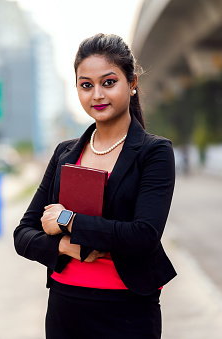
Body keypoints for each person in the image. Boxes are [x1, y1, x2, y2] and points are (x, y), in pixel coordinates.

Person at [13, 33, 176, 339]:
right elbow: (23, 234)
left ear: (132, 83)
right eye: (86, 85)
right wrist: (66, 247)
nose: (97, 94)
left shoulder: (154, 152)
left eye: (108, 82)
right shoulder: (65, 152)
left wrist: (67, 220)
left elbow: (144, 235)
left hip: (127, 311)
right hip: (65, 308)